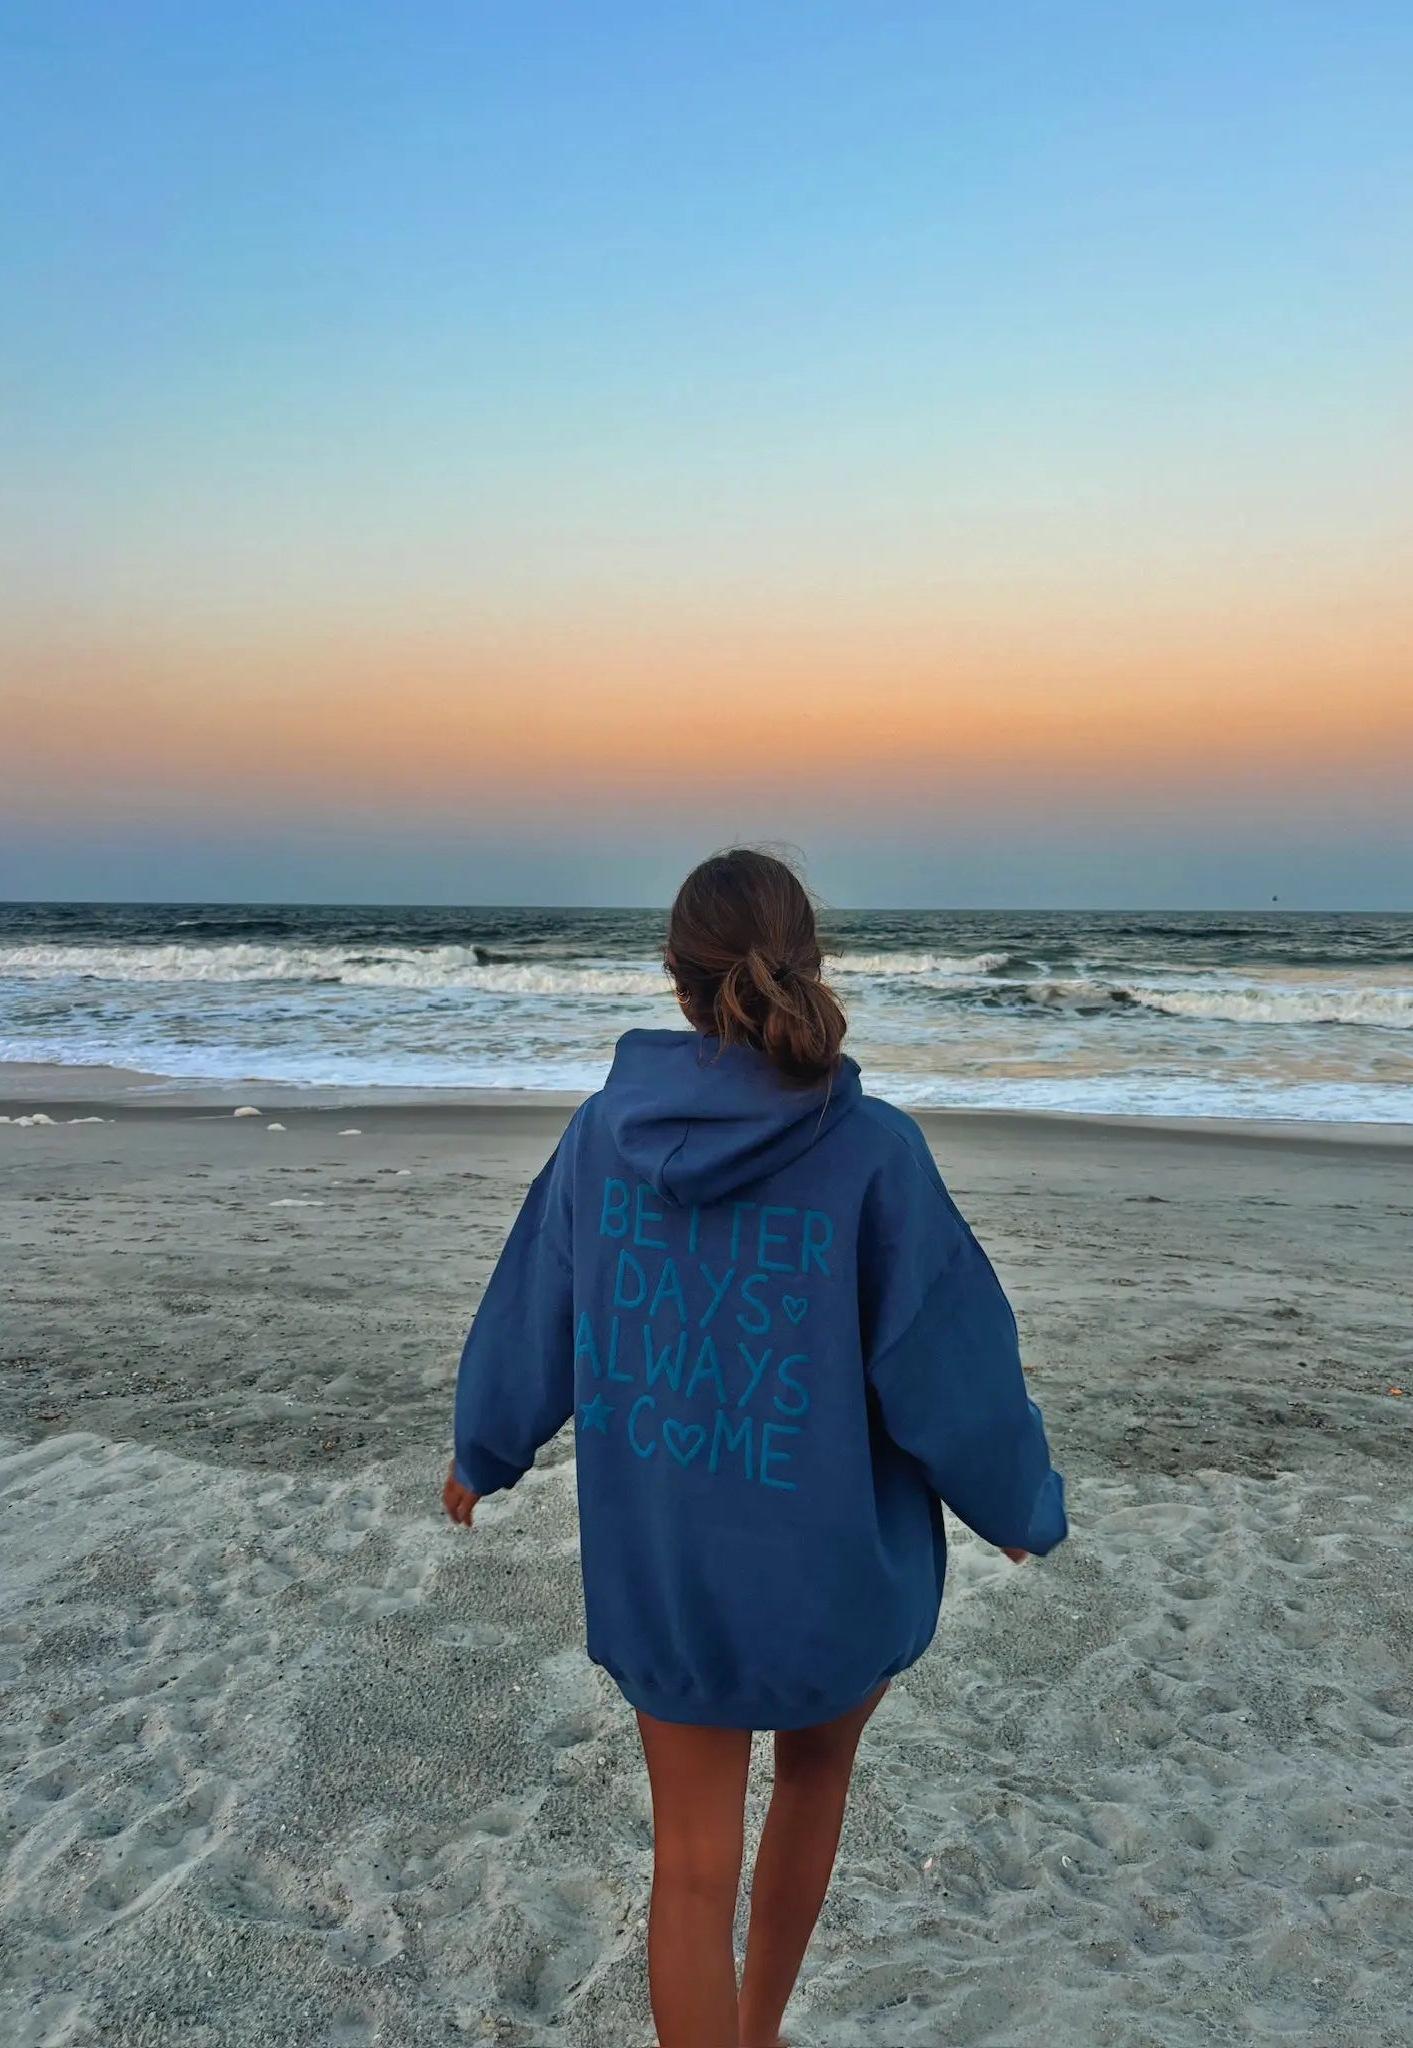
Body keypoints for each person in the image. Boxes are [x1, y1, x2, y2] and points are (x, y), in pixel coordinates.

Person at [444, 848, 1067, 2048]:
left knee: (690, 1864)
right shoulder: (873, 1149)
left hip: (669, 1568)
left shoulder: (601, 1138)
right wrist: (1016, 1503)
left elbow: (532, 1312)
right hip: (832, 1568)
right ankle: (759, 2028)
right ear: (809, 963)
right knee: (814, 1781)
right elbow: (952, 1363)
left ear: (676, 979)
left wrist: (484, 1449)